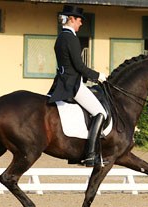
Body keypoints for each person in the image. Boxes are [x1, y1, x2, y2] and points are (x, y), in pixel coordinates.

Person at [48, 5, 108, 167]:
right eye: (79, 20)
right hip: (72, 84)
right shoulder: (71, 38)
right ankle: (90, 154)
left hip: (61, 81)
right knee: (100, 112)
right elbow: (79, 66)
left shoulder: (61, 37)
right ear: (72, 19)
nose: (81, 23)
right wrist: (98, 76)